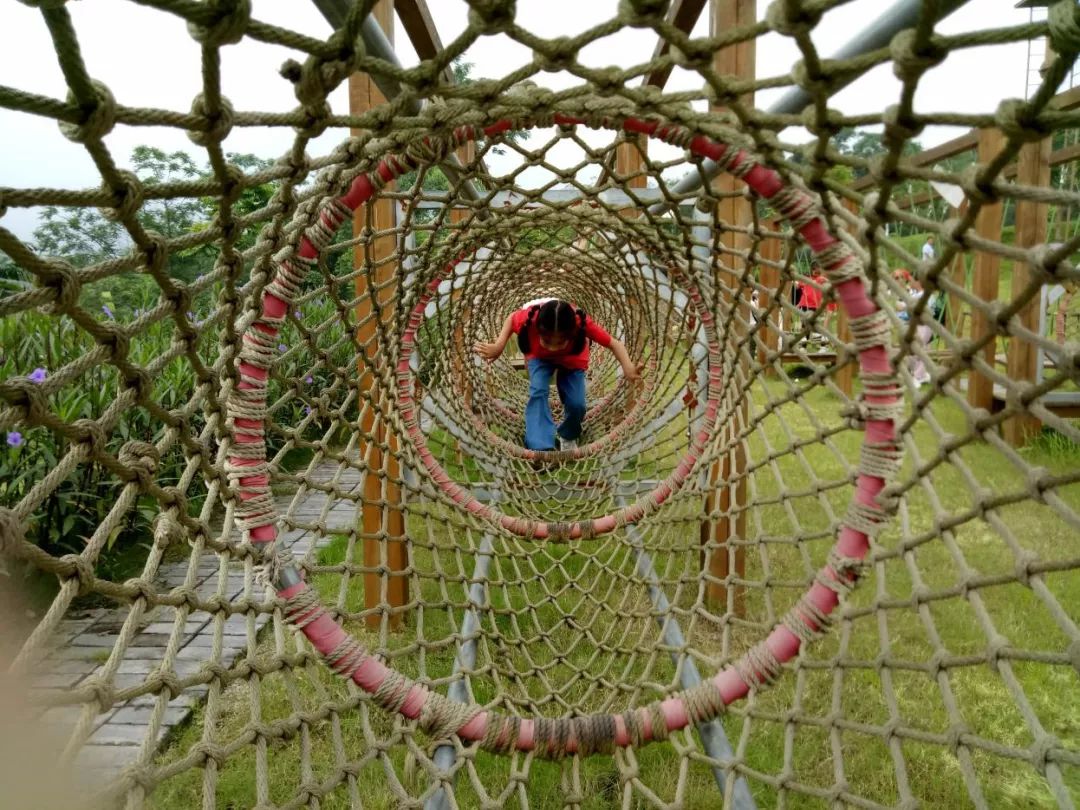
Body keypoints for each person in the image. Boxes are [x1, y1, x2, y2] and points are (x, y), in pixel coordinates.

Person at [475, 299, 640, 451]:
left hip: (572, 359)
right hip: (539, 357)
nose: (553, 348)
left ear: (572, 333)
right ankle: (539, 445)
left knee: (577, 404)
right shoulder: (530, 319)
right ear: (538, 330)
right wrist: (499, 345)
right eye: (547, 341)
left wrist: (628, 367)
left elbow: (614, 343)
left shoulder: (580, 323)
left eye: (560, 342)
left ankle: (567, 435)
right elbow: (512, 318)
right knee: (538, 391)